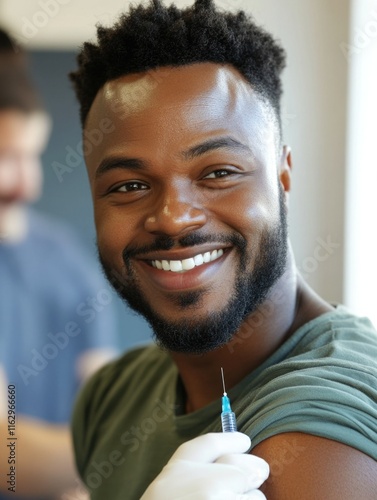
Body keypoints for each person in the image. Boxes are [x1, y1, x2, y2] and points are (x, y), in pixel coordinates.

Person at [69, 0, 377, 498]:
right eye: (128, 186)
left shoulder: (323, 427)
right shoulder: (110, 398)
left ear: (283, 176)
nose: (172, 216)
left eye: (217, 173)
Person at [0, 28, 119, 499]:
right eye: (6, 158)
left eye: (32, 156)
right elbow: (7, 460)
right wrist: (136, 456)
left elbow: (109, 412)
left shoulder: (68, 261)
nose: (29, 184)